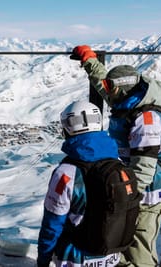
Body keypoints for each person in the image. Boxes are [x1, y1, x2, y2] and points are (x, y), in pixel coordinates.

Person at [70, 45, 161, 266]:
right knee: (119, 247)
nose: (106, 90)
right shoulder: (127, 102)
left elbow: (144, 170)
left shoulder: (147, 121)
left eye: (111, 87)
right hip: (130, 192)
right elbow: (102, 83)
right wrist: (90, 61)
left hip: (145, 199)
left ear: (123, 88)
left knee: (139, 252)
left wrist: (125, 200)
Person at [37, 100, 122, 267]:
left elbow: (52, 223)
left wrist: (43, 259)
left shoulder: (66, 173)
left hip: (76, 257)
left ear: (68, 128)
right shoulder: (117, 163)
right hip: (112, 255)